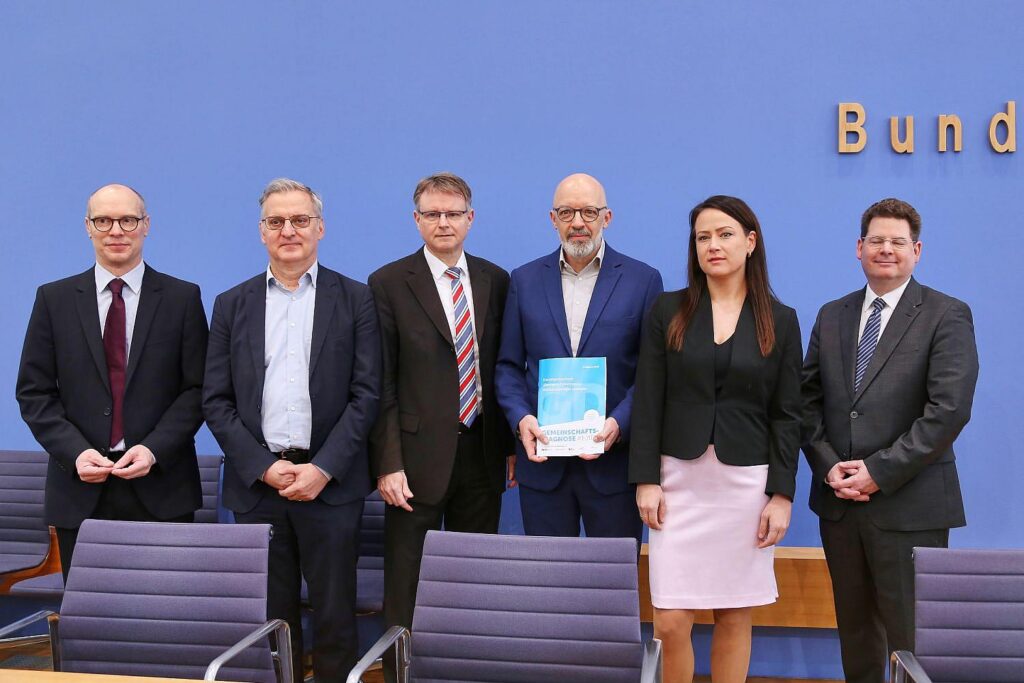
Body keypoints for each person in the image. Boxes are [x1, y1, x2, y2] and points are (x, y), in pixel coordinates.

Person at [203, 178, 381, 683]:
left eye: (300, 220)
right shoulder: (231, 304)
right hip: (259, 486)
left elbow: (367, 395)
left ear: (320, 228)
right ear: (261, 231)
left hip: (331, 485)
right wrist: (263, 466)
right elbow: (215, 400)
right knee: (271, 617)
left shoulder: (357, 299)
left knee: (335, 614)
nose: (288, 231)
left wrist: (322, 468)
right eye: (276, 221)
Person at [801, 197, 979, 683]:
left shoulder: (946, 314)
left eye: (897, 242)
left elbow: (948, 411)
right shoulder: (832, 315)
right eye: (876, 240)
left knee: (912, 642)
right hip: (840, 505)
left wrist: (878, 471)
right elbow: (806, 401)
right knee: (856, 636)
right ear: (858, 248)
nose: (886, 249)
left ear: (916, 251)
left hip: (910, 507)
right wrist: (827, 465)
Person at [630, 195, 802, 683]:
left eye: (725, 234)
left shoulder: (780, 319)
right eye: (703, 237)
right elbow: (648, 399)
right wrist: (646, 478)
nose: (713, 245)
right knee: (670, 619)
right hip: (676, 483)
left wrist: (782, 494)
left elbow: (788, 414)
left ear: (750, 242)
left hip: (745, 487)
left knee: (734, 613)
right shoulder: (668, 310)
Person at [16, 183, 208, 582]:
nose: (116, 230)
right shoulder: (54, 299)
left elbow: (198, 390)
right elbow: (34, 393)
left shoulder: (182, 298)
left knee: (167, 611)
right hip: (80, 489)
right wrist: (75, 453)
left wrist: (153, 449)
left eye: (128, 220)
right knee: (91, 613)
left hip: (162, 488)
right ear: (88, 227)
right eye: (103, 220)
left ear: (146, 225)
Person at [368, 172, 514, 678]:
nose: (443, 222)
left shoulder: (496, 280)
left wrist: (509, 447)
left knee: (475, 581)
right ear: (417, 220)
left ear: (470, 219)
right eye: (433, 214)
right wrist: (387, 463)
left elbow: (502, 367)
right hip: (413, 462)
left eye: (453, 213)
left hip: (482, 453)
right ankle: (401, 675)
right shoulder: (388, 282)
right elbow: (381, 382)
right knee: (406, 585)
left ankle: (469, 672)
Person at [495, 173, 662, 545]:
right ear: (552, 219)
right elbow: (508, 367)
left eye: (589, 212)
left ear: (607, 217)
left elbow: (652, 373)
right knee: (547, 575)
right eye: (566, 212)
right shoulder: (524, 280)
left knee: (613, 576)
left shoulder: (643, 281)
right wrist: (521, 419)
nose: (578, 222)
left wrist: (620, 423)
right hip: (543, 466)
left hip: (614, 464)